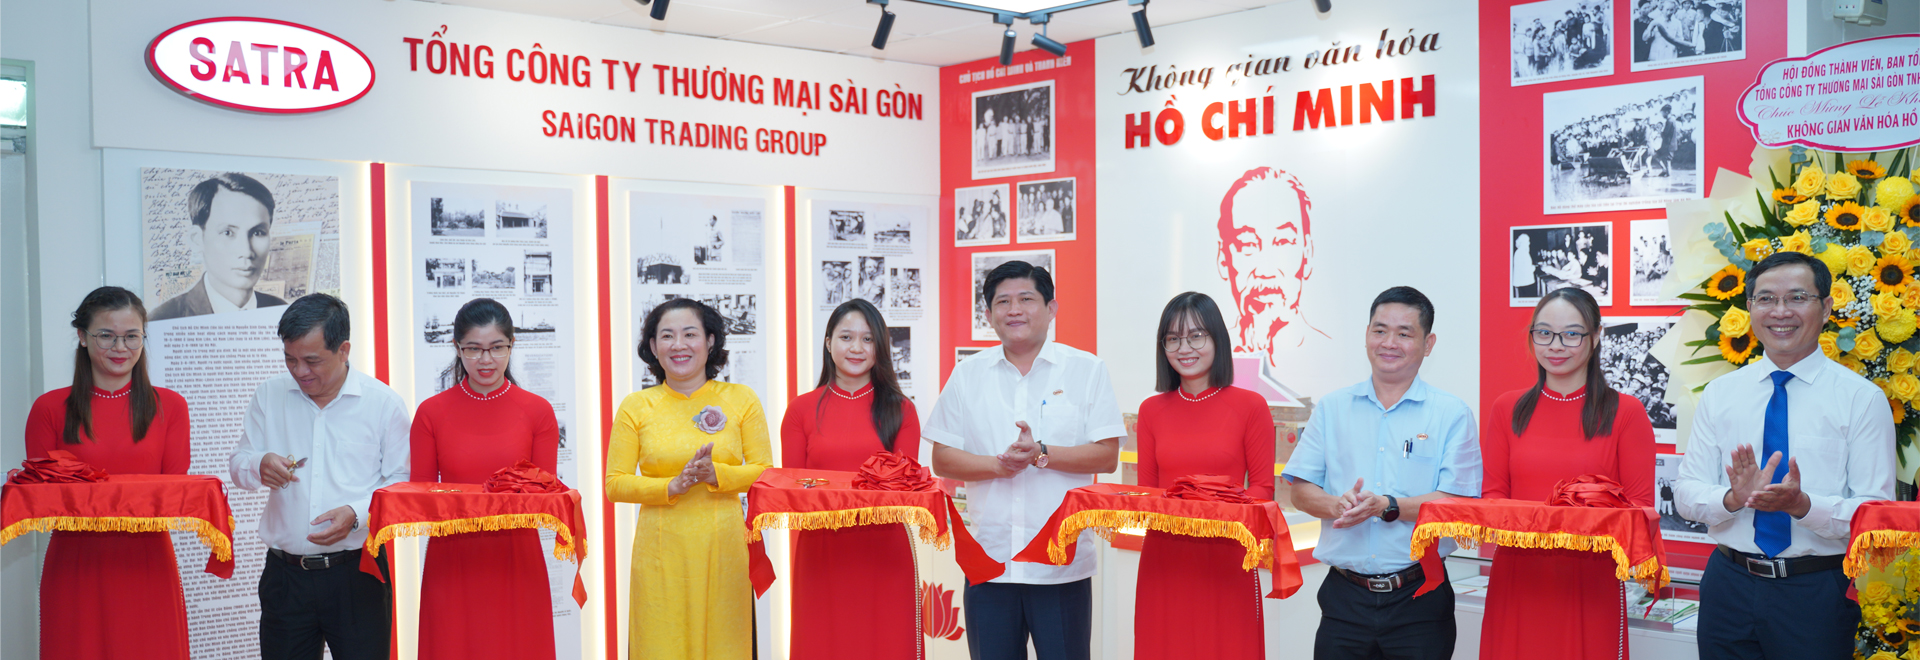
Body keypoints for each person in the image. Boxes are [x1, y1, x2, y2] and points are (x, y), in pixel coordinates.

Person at [1675, 252, 1894, 660]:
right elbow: (1686, 493)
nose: (1780, 312)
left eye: (1797, 297)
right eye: (1766, 299)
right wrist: (1733, 498)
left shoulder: (1861, 399)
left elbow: (1876, 513)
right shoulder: (1721, 394)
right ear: (1750, 308)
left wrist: (1803, 506)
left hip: (1814, 592)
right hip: (1728, 585)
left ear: (1825, 307)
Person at [926, 260, 1125, 660]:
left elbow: (1107, 456)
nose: (1014, 310)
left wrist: (1042, 454)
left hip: (1060, 564)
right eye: (1003, 302)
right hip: (989, 562)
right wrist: (998, 467)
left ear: (1051, 309)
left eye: (1026, 299)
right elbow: (942, 459)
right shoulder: (967, 374)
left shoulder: (1086, 370)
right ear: (989, 315)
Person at [1280, 286, 1481, 660]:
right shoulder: (1332, 408)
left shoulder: (1451, 414)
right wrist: (1337, 505)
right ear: (1366, 335)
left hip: (1419, 598)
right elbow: (1300, 490)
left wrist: (1387, 506)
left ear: (1428, 344)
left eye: (1404, 333)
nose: (1389, 343)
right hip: (1344, 599)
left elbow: (1458, 502)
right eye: (1380, 330)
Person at [228, 293, 410, 660]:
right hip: (286, 577)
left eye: (312, 360)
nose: (300, 371)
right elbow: (239, 465)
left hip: (358, 573)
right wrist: (259, 464)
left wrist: (356, 514)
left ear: (344, 350)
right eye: (290, 359)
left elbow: (400, 483)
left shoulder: (382, 403)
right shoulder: (269, 396)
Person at [1479, 287, 1655, 659]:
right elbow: (1493, 498)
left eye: (1571, 334)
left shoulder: (1625, 412)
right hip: (1518, 576)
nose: (1555, 346)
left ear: (1596, 336)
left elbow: (1639, 510)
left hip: (1591, 579)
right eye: (1544, 333)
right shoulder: (1507, 408)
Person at [23, 286, 193, 660]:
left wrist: (93, 490)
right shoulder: (49, 408)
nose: (120, 348)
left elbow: (173, 494)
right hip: (75, 565)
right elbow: (42, 499)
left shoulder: (171, 406)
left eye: (132, 336)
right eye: (106, 335)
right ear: (83, 337)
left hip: (148, 562)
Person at [606, 298, 771, 660]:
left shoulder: (741, 399)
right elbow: (615, 483)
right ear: (653, 347)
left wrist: (718, 474)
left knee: (725, 646)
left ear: (710, 341)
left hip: (723, 550)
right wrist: (671, 486)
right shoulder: (637, 406)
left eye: (690, 334)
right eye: (667, 336)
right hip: (659, 553)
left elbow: (764, 472)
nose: (678, 345)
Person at [409, 298, 560, 660]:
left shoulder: (538, 411)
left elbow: (545, 494)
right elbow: (421, 494)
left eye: (497, 347)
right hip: (452, 558)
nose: (486, 359)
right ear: (457, 348)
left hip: (516, 557)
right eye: (473, 349)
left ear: (512, 345)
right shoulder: (431, 413)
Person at [1132, 292, 1276, 660]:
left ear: (1217, 339)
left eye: (1196, 336)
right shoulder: (1151, 410)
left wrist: (1220, 516)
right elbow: (1147, 492)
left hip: (1228, 556)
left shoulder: (1251, 405)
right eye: (1173, 338)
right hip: (1164, 558)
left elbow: (1262, 489)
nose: (1185, 348)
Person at [779, 299, 922, 659]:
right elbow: (794, 491)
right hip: (821, 551)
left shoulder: (901, 410)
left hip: (884, 549)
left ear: (880, 347)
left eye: (867, 339)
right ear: (828, 343)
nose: (857, 348)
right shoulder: (800, 410)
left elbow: (904, 489)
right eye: (846, 337)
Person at [151, 173, 286, 320]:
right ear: (197, 239)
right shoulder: (163, 318)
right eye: (228, 233)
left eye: (258, 232)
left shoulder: (282, 312)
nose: (246, 251)